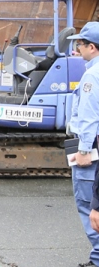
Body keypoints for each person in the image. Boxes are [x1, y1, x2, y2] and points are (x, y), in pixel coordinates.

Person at [66, 22, 99, 267]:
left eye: (80, 43)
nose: (77, 47)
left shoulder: (92, 75)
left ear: (92, 47)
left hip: (90, 147)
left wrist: (84, 150)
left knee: (88, 205)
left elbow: (89, 116)